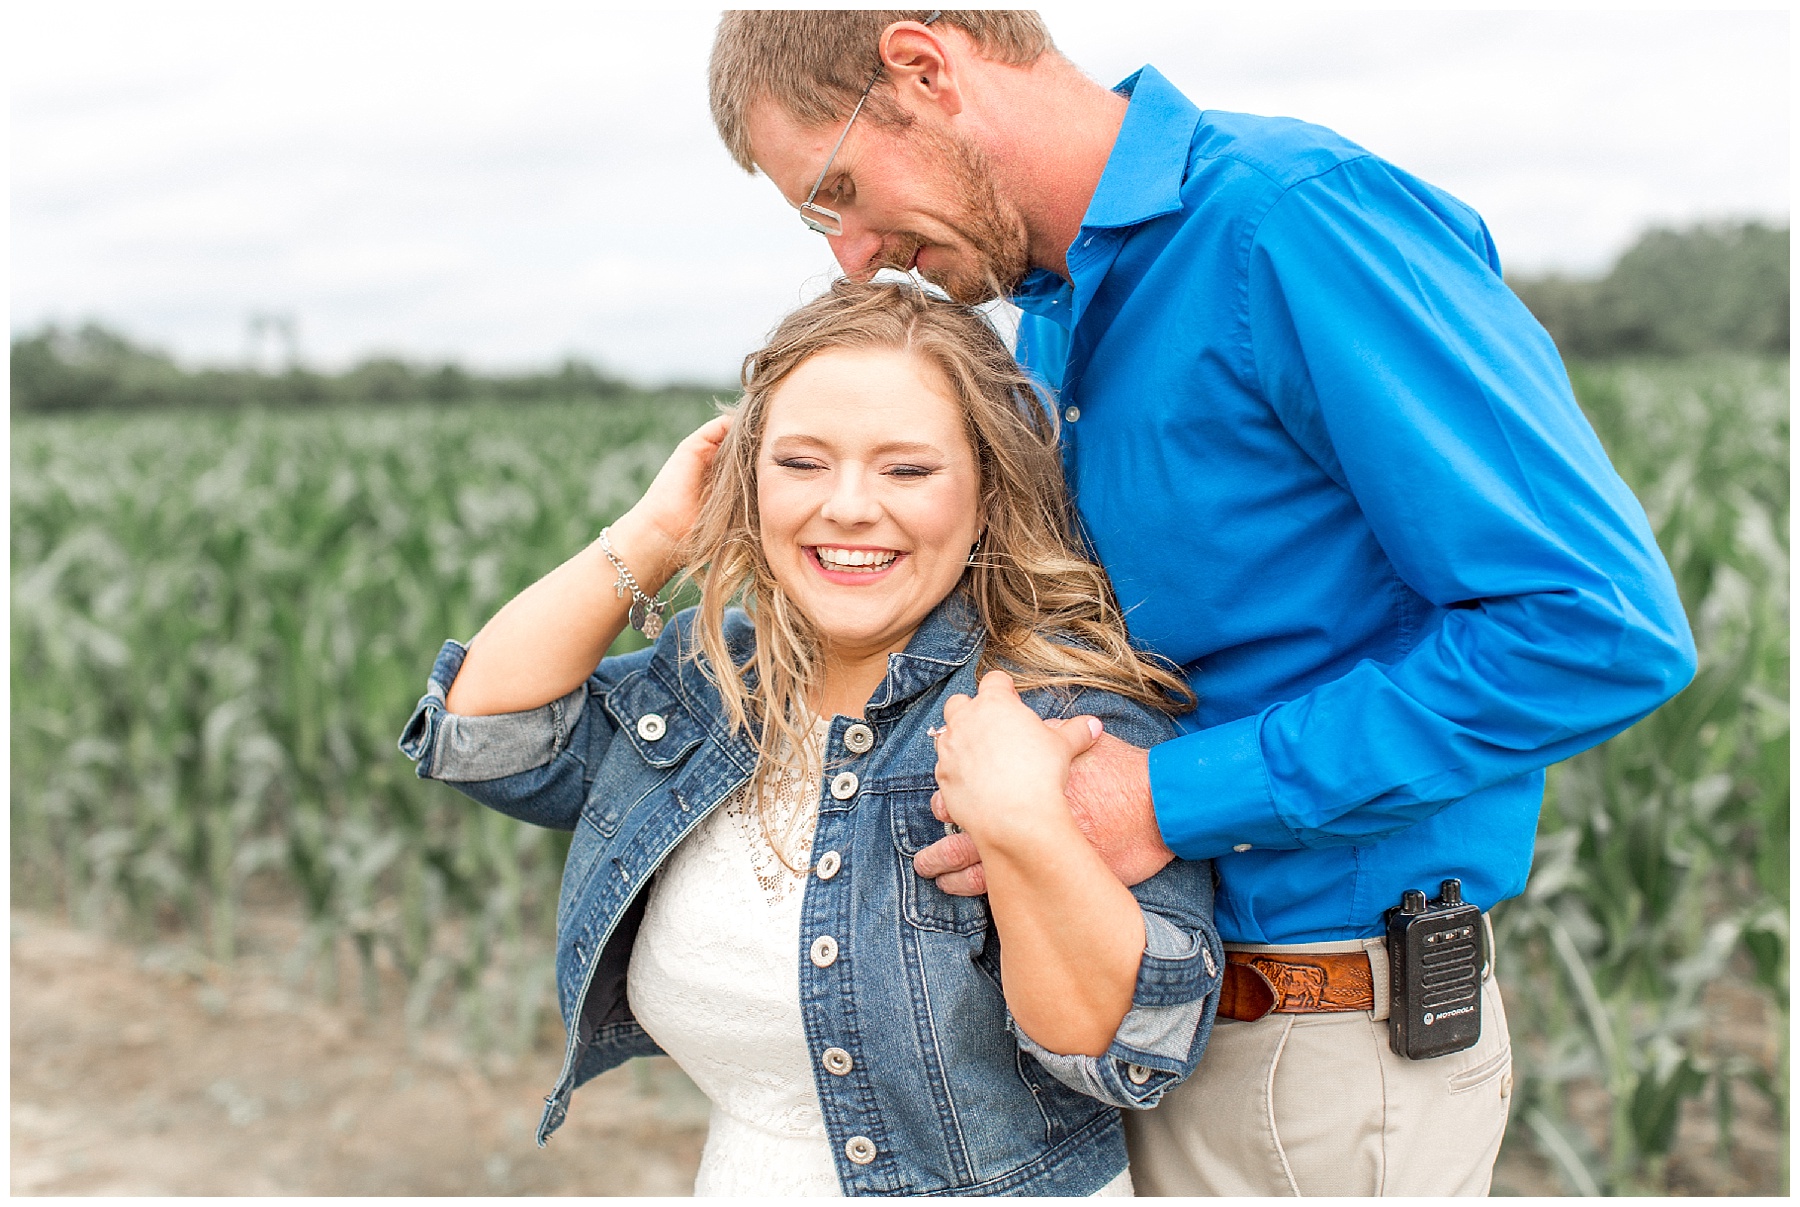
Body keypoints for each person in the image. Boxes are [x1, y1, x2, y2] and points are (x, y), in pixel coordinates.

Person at [709, 10, 1698, 1196]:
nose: (853, 256)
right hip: (1130, 1035)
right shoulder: (1056, 316)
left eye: (839, 191)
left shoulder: (1294, 223)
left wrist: (1162, 800)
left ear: (923, 69)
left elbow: (1593, 628)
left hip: (1307, 1044)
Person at [398, 280, 1224, 1197]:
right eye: (801, 463)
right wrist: (659, 532)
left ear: (989, 493)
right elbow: (482, 735)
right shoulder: (715, 685)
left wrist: (1026, 825)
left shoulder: (1059, 713)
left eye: (907, 470)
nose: (850, 507)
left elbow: (1130, 1051)